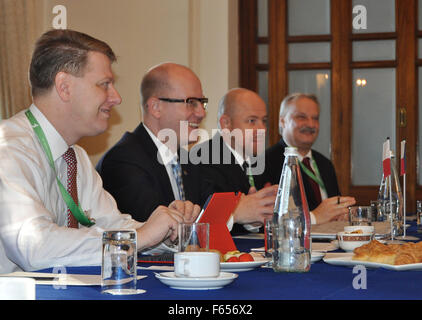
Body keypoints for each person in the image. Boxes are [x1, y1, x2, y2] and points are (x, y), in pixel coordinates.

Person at [0, 30, 199, 274]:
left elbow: (114, 225)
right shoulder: (8, 147)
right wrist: (140, 237)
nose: (116, 98)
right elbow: (34, 246)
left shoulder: (75, 157)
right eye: (104, 84)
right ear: (64, 87)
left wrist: (166, 232)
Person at [96, 63, 276, 231]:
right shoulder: (125, 159)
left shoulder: (188, 159)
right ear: (156, 107)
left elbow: (206, 210)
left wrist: (253, 212)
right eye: (191, 102)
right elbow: (157, 231)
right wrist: (233, 214)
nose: (201, 113)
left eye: (201, 102)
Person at [191, 88, 277, 233]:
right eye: (252, 121)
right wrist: (239, 212)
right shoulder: (203, 158)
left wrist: (257, 217)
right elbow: (205, 223)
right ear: (226, 123)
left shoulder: (262, 160)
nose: (262, 129)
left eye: (264, 121)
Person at [262, 93, 355, 224]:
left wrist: (341, 214)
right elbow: (269, 220)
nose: (311, 124)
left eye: (315, 118)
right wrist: (315, 217)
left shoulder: (325, 164)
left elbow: (334, 208)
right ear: (282, 121)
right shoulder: (266, 163)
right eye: (301, 117)